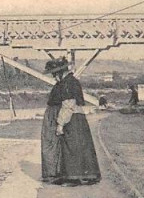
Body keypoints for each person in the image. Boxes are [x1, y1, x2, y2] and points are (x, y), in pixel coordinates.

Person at [41, 58, 101, 186]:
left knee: (71, 146)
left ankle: (72, 177)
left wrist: (60, 124)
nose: (54, 78)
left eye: (54, 75)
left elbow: (68, 104)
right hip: (77, 117)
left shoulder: (67, 83)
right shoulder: (70, 81)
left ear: (59, 73)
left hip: (71, 118)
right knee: (80, 146)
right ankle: (84, 175)